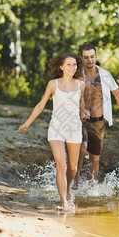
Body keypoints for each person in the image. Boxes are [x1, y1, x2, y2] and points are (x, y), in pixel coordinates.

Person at [18, 53, 85, 209]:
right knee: (62, 166)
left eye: (74, 65)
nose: (72, 68)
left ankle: (67, 188)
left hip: (74, 128)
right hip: (56, 128)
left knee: (73, 168)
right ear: (61, 66)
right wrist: (28, 123)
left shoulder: (81, 85)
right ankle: (64, 202)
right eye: (68, 64)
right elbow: (41, 105)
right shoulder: (53, 84)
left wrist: (84, 113)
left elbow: (81, 105)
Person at [73, 45, 119, 189]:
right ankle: (75, 182)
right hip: (80, 120)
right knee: (82, 148)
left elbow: (117, 95)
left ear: (95, 56)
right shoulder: (77, 74)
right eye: (86, 57)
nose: (89, 60)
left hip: (98, 122)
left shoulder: (105, 75)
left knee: (95, 159)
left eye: (92, 56)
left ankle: (92, 187)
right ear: (82, 58)